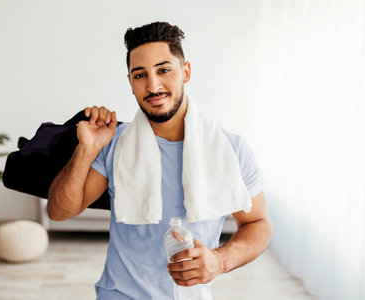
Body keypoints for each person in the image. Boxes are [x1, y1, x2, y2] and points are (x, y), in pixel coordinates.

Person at [47, 21, 273, 299]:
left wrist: (220, 261)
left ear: (185, 72)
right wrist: (86, 148)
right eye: (140, 75)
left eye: (163, 70)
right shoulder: (115, 144)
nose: (153, 86)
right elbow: (59, 212)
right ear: (130, 82)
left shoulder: (231, 149)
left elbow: (258, 223)